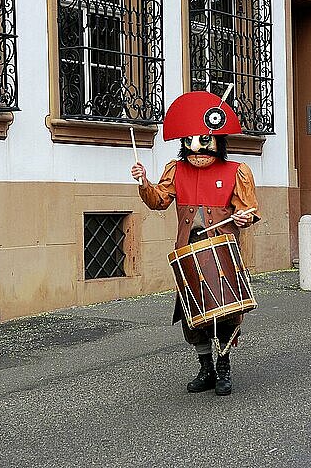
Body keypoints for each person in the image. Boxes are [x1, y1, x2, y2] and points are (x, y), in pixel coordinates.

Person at [131, 91, 260, 396]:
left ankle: (224, 365)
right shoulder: (176, 170)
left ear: (218, 141)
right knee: (192, 315)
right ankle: (206, 367)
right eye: (191, 143)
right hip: (188, 252)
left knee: (227, 312)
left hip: (222, 252)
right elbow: (159, 201)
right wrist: (144, 182)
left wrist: (243, 218)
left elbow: (249, 209)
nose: (198, 150)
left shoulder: (237, 172)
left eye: (204, 142)